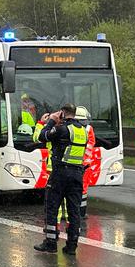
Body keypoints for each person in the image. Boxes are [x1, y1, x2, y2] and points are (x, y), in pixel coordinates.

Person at [33, 104, 87, 255]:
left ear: (63, 113)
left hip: (60, 173)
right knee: (74, 211)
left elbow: (42, 136)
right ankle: (72, 246)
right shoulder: (83, 131)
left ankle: (50, 243)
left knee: (52, 207)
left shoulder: (62, 129)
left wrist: (50, 121)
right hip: (77, 174)